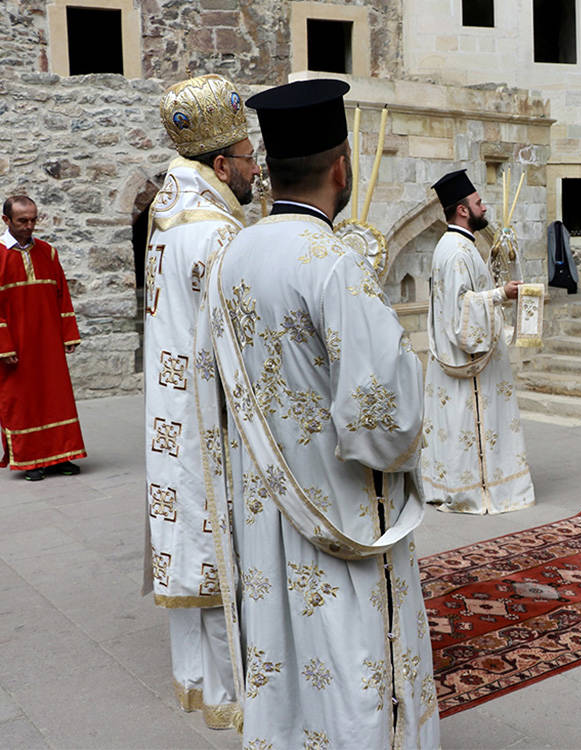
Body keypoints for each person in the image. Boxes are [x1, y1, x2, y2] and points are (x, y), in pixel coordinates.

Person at [200, 78, 438, 748]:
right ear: (342, 167)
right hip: (341, 511)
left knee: (286, 650)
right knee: (354, 654)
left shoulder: (229, 257)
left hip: (264, 502)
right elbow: (382, 418)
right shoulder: (333, 262)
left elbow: (209, 390)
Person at [142, 74, 259, 729]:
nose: (254, 170)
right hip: (206, 415)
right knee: (217, 546)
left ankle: (195, 679)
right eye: (247, 159)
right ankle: (230, 690)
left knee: (190, 537)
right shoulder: (215, 233)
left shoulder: (168, 217)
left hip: (171, 410)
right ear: (220, 164)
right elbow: (240, 342)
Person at [421, 169, 535, 514]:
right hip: (468, 367)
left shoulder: (457, 246)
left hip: (453, 364)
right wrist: (501, 294)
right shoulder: (456, 252)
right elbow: (461, 314)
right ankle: (475, 490)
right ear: (462, 210)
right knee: (466, 422)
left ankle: (458, 484)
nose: (484, 207)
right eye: (478, 202)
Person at [0, 195, 86, 481]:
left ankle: (62, 455)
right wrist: (4, 345)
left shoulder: (48, 253)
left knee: (55, 398)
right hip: (17, 346)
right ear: (6, 220)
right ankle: (29, 460)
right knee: (22, 401)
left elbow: (62, 294)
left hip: (48, 342)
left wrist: (69, 333)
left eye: (33, 219)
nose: (29, 226)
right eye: (22, 220)